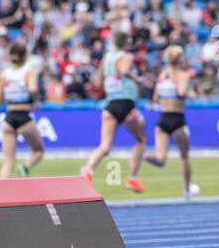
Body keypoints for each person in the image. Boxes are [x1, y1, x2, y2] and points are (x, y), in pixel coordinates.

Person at [82, 32, 147, 192]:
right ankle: (132, 178)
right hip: (126, 104)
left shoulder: (107, 56)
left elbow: (97, 81)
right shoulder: (126, 56)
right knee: (141, 139)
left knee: (104, 146)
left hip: (110, 104)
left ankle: (87, 170)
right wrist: (137, 79)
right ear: (125, 42)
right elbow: (124, 70)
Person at [144, 45, 199, 198]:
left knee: (160, 160)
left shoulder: (162, 74)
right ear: (180, 58)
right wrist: (190, 92)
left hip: (163, 118)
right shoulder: (183, 75)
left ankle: (143, 155)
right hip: (177, 119)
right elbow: (181, 93)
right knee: (184, 156)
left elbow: (155, 98)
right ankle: (187, 190)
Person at [0, 41, 44, 179]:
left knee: (8, 161)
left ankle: (1, 192)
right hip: (24, 116)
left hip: (9, 117)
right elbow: (33, 89)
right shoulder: (29, 72)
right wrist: (36, 100)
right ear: (25, 55)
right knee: (38, 150)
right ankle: (25, 167)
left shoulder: (4, 74)